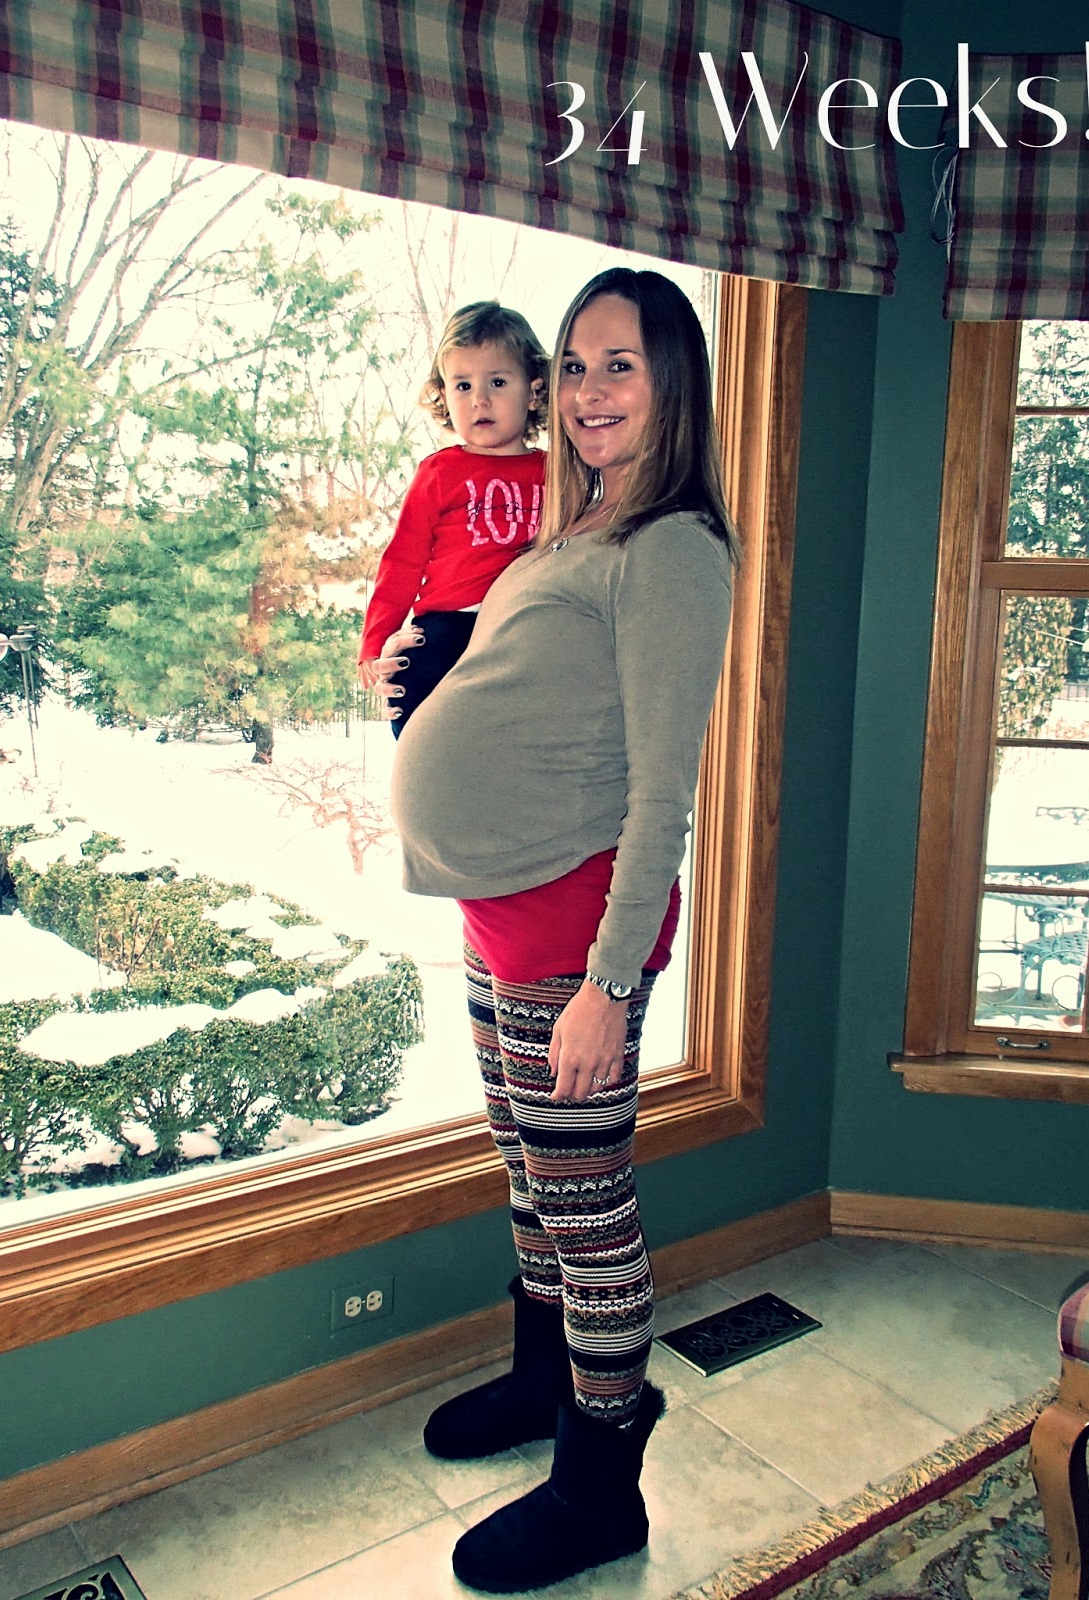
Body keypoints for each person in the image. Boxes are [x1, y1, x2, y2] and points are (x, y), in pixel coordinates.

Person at [371, 268, 737, 1592]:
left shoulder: (673, 549)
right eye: (573, 364)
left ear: (672, 382)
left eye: (617, 364)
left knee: (590, 1212)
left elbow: (661, 795)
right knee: (532, 1176)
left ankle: (600, 1487)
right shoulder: (576, 528)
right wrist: (436, 673)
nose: (585, 391)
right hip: (502, 906)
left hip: (573, 931)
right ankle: (545, 1383)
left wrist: (610, 988)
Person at [356, 301, 548, 735]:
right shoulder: (440, 472)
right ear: (443, 395)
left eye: (497, 381)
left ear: (533, 391)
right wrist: (376, 640)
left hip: (522, 624)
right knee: (414, 704)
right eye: (463, 385)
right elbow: (402, 561)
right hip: (449, 624)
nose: (480, 399)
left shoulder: (556, 473)